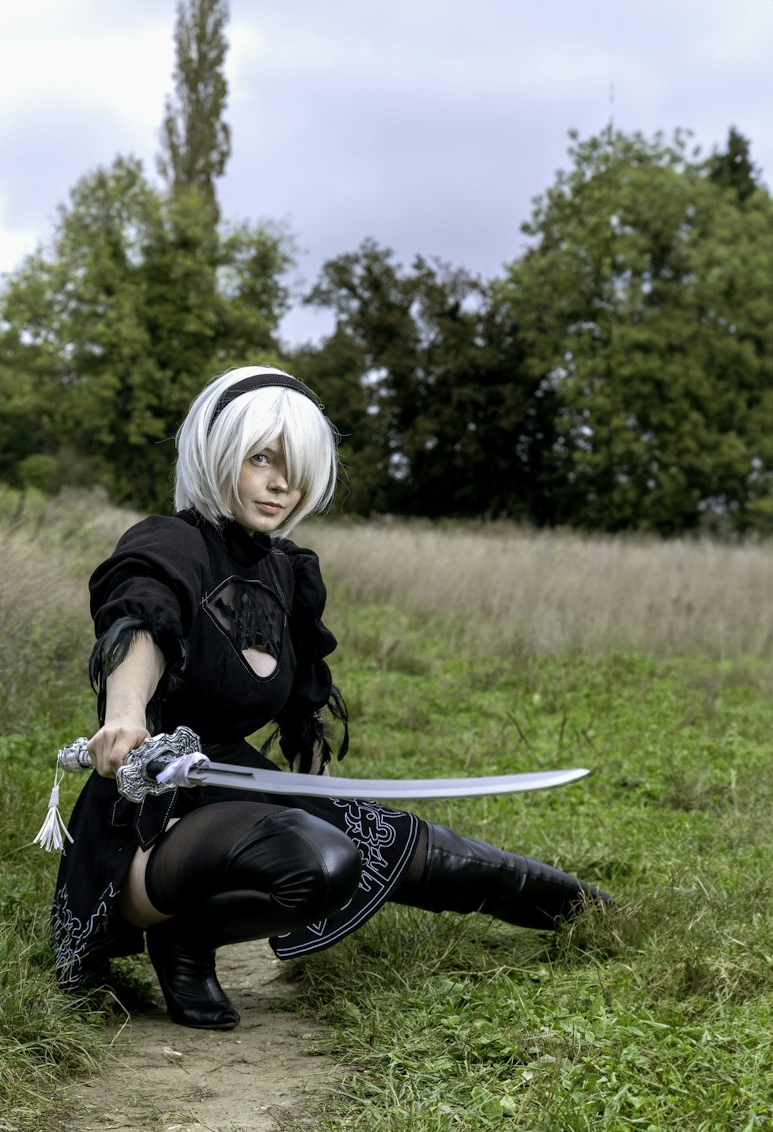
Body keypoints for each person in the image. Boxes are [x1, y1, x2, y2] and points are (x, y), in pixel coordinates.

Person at [52, 365, 609, 1030]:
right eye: (261, 459)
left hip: (237, 783)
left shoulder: (286, 571)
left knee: (403, 846)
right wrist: (124, 717)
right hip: (150, 819)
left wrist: (325, 794)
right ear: (216, 452)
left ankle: (595, 914)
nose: (281, 483)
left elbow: (301, 711)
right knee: (320, 861)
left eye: (297, 466)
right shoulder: (172, 543)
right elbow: (142, 619)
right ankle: (187, 937)